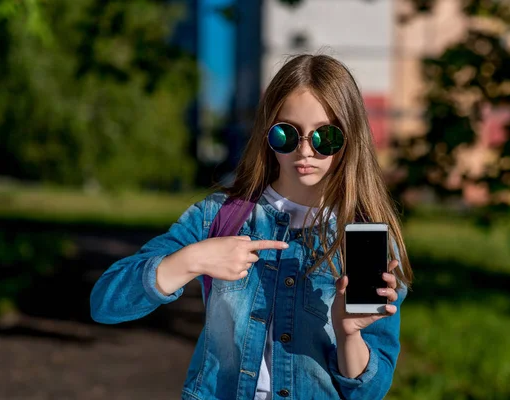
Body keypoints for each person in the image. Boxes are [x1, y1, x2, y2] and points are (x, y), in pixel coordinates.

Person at [90, 54, 413, 400]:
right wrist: (191, 260)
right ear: (267, 133)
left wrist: (348, 333)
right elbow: (106, 303)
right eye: (287, 134)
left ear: (349, 138)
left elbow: (370, 392)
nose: (305, 150)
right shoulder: (217, 217)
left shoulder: (368, 242)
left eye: (325, 137)